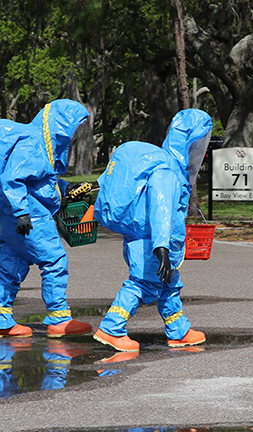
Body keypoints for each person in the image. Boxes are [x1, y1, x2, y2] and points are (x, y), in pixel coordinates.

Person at [0, 99, 93, 338]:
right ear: (62, 125)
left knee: (11, 264)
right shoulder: (34, 143)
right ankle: (59, 318)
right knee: (54, 261)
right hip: (31, 214)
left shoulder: (38, 144)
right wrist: (23, 212)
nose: (77, 134)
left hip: (11, 216)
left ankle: (0, 318)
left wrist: (67, 189)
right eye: (76, 128)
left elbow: (41, 180)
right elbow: (13, 179)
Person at [92, 108, 213, 352]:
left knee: (169, 284)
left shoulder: (163, 164)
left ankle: (178, 330)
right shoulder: (166, 170)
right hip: (153, 241)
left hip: (144, 238)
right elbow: (162, 209)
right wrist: (162, 248)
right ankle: (112, 327)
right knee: (142, 284)